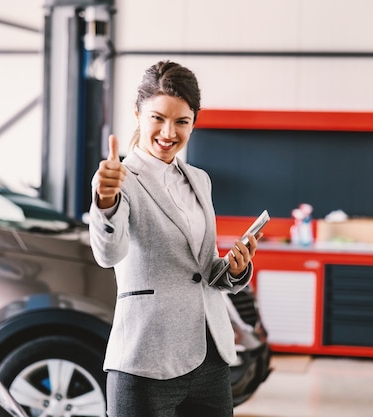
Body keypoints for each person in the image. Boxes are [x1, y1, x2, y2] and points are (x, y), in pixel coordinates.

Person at [88, 60, 260, 417]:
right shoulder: (119, 178)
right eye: (158, 118)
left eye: (182, 121)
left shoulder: (199, 180)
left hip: (209, 356)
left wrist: (233, 270)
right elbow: (109, 253)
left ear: (195, 121)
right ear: (137, 114)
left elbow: (203, 268)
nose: (169, 132)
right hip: (147, 359)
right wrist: (105, 202)